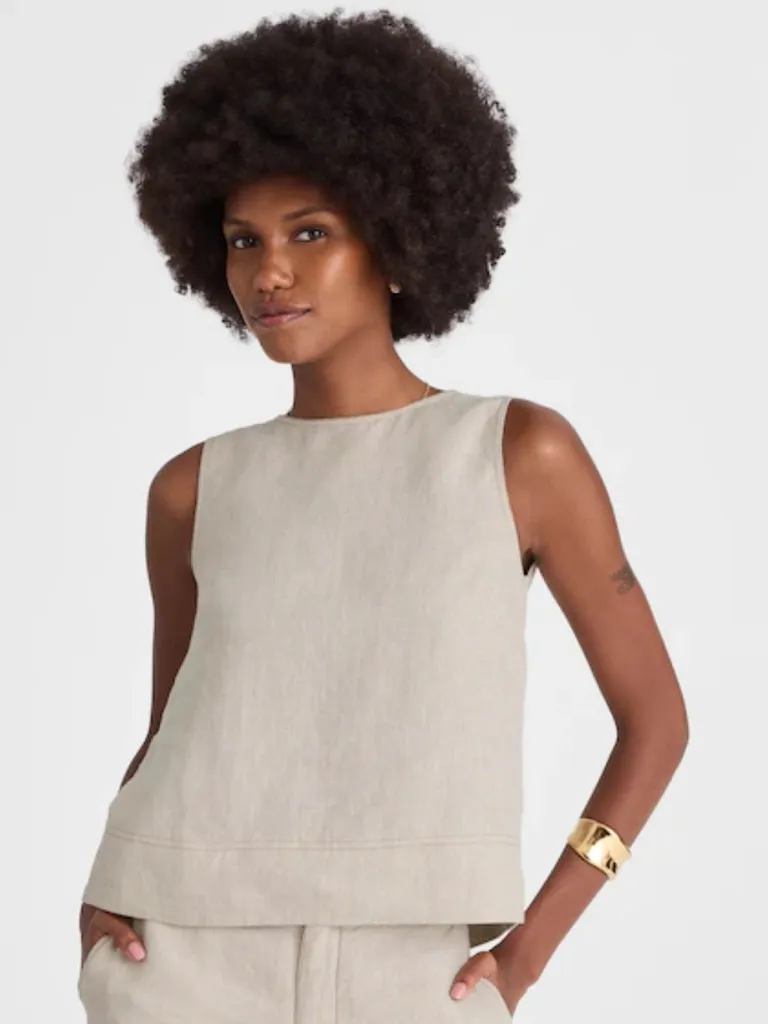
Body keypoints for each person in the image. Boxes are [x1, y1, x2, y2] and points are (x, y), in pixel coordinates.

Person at [77, 9, 689, 1022]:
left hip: (413, 972)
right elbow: (175, 731)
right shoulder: (192, 489)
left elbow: (657, 722)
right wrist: (103, 893)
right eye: (243, 241)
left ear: (398, 240)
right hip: (180, 962)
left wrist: (530, 953)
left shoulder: (518, 454)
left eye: (309, 232)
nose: (269, 272)